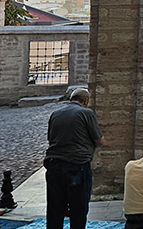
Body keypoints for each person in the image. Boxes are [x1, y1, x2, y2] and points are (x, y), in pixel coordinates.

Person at [44, 87, 104, 229]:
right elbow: (99, 140)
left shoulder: (55, 114)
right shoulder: (86, 113)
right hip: (77, 165)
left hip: (54, 164)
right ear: (86, 101)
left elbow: (50, 138)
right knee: (78, 208)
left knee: (55, 208)